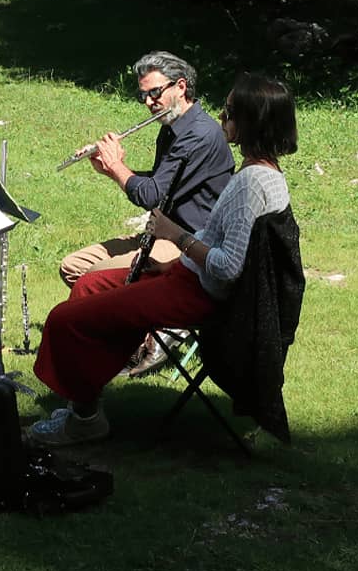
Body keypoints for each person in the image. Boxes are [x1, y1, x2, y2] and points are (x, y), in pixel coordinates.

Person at [29, 73, 298, 445]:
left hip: (201, 295)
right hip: (185, 276)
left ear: (251, 122)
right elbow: (219, 242)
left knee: (63, 320)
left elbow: (226, 267)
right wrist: (171, 263)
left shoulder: (251, 184)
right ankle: (84, 401)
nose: (222, 117)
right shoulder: (261, 174)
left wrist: (175, 236)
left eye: (230, 111)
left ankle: (85, 421)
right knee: (90, 284)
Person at [58, 50, 233, 289]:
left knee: (94, 277)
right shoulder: (171, 126)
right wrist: (109, 169)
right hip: (160, 233)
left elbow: (151, 195)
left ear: (180, 87)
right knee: (72, 266)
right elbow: (160, 182)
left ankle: (124, 321)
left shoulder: (200, 135)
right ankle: (122, 320)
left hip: (188, 241)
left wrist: (117, 166)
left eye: (154, 93)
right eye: (143, 96)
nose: (149, 102)